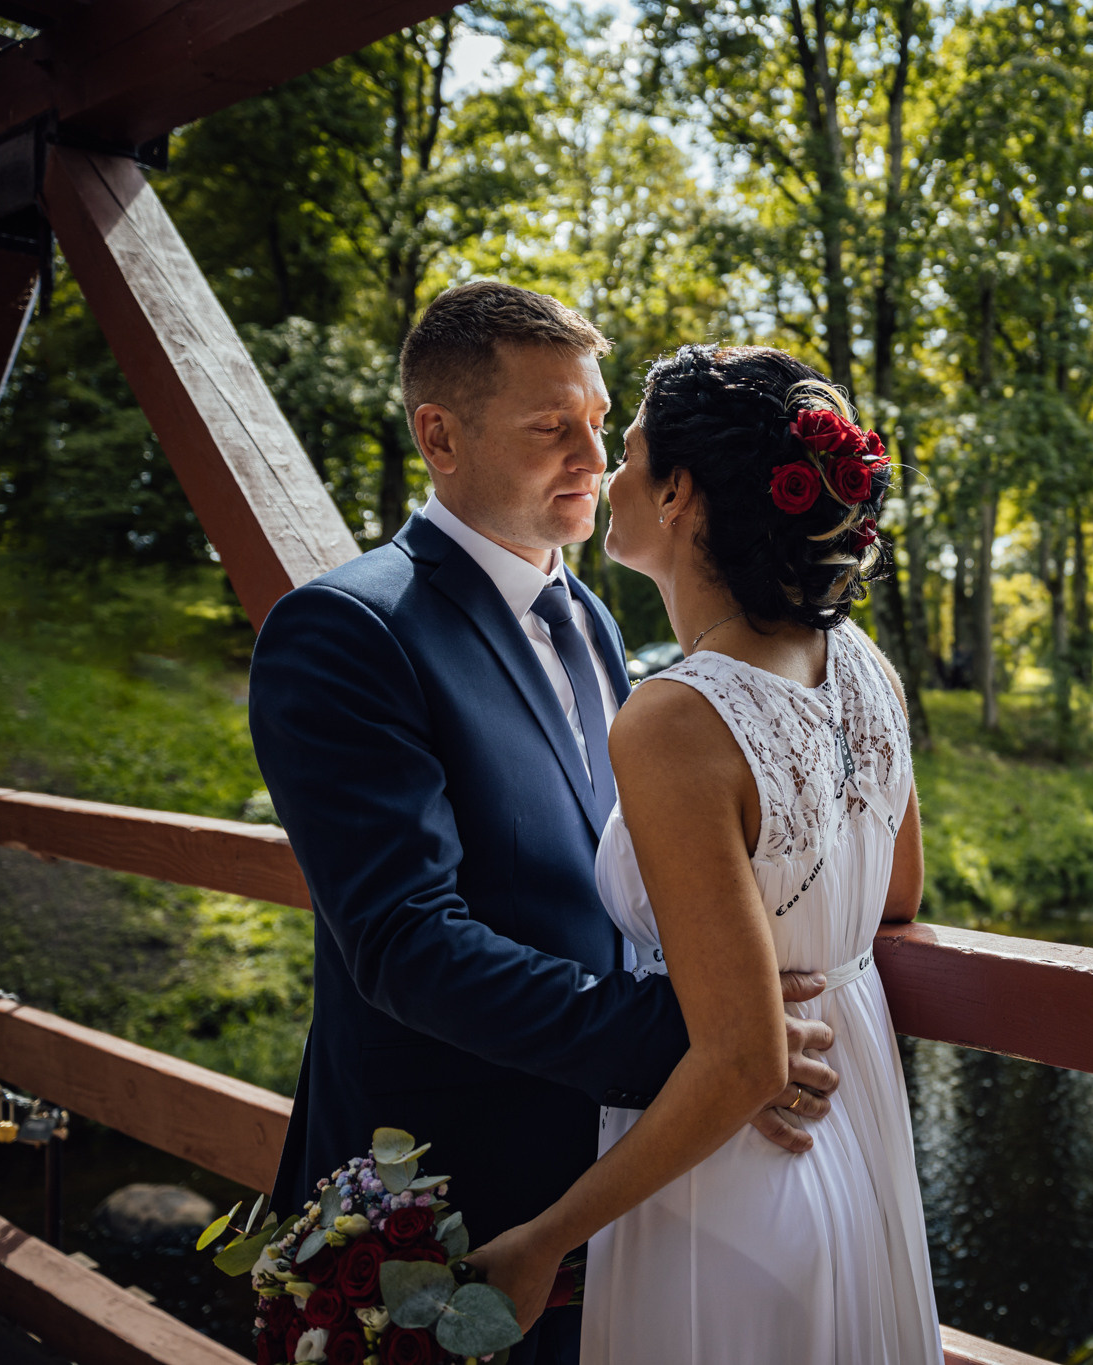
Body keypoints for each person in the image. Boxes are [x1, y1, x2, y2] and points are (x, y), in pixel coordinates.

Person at [249, 286, 841, 1365]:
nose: (595, 455)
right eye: (549, 427)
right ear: (439, 435)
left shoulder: (596, 621)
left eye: (600, 421)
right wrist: (701, 1043)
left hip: (595, 1190)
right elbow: (403, 942)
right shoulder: (345, 632)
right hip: (437, 1203)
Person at [466, 346, 942, 1362]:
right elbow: (895, 895)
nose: (608, 474)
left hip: (734, 1169)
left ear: (680, 495)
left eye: (630, 455)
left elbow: (739, 1061)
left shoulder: (675, 718)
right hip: (856, 1127)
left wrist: (544, 1242)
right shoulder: (863, 667)